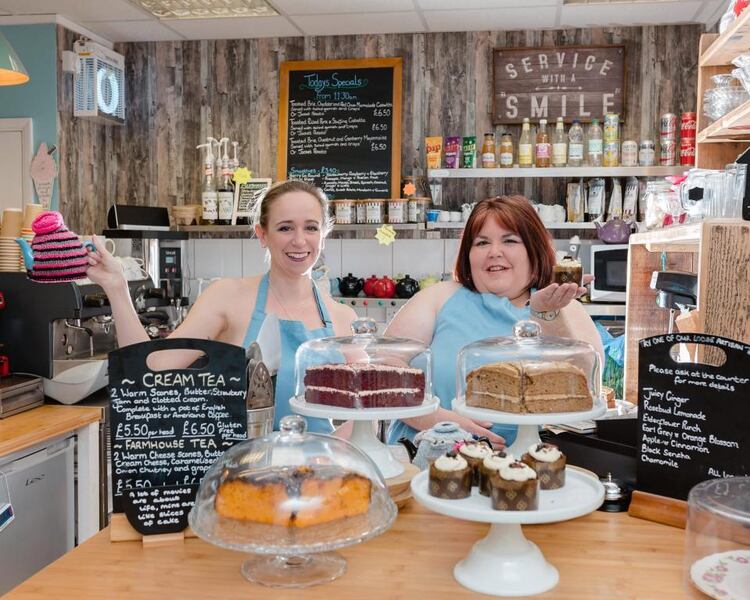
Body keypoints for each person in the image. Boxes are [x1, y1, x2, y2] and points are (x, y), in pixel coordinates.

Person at [86, 180, 357, 433]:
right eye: (285, 227)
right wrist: (117, 289)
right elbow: (151, 367)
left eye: (311, 227)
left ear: (324, 234)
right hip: (241, 473)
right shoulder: (228, 297)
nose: (299, 240)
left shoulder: (343, 318)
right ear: (262, 234)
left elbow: (360, 417)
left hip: (321, 476)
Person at [385, 195, 604, 447]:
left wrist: (547, 314)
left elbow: (585, 386)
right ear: (468, 254)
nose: (494, 252)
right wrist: (440, 422)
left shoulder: (565, 308)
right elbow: (383, 366)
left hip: (528, 468)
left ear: (534, 251)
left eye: (509, 240)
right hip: (424, 463)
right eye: (482, 242)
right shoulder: (439, 297)